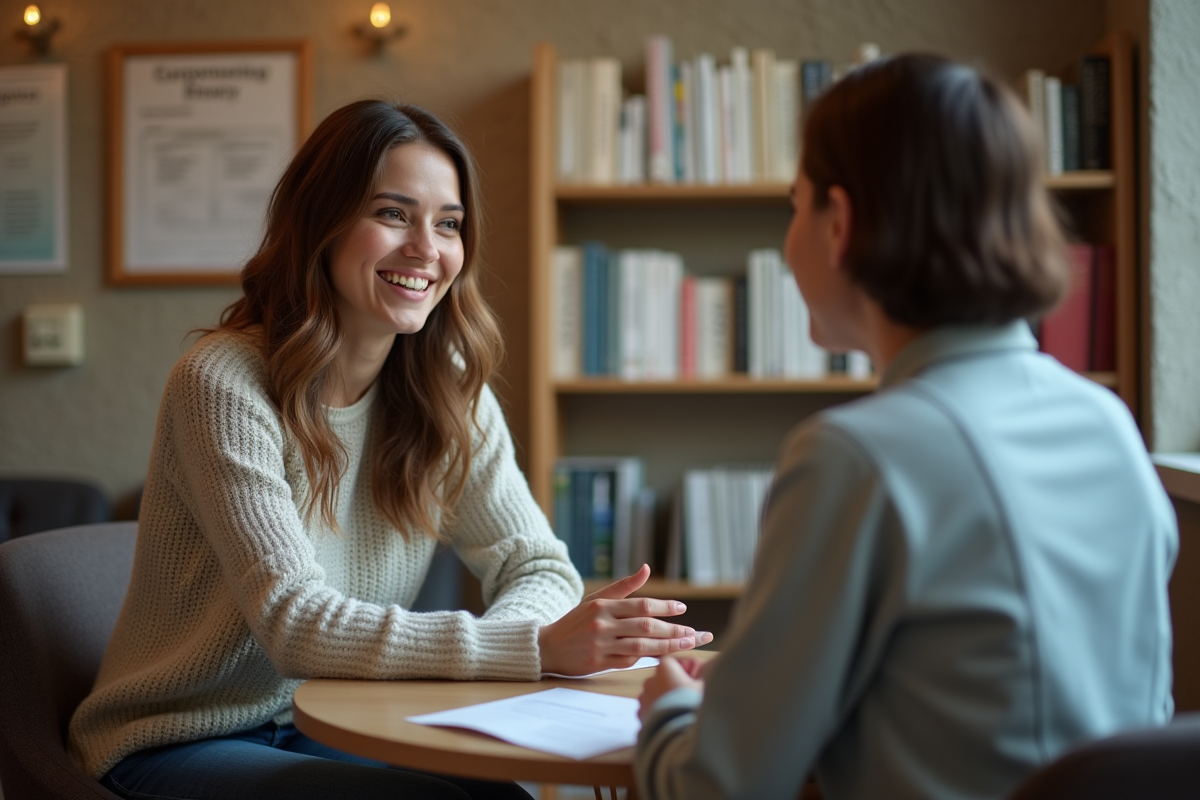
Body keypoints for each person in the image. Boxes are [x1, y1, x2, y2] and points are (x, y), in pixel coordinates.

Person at [67, 99, 711, 800]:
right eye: (393, 214)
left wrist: (526, 642)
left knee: (501, 796)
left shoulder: (449, 388)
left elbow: (536, 565)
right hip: (181, 737)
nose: (426, 249)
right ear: (322, 223)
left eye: (449, 224)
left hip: (332, 718)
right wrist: (529, 647)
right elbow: (294, 623)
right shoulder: (221, 382)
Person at [635, 53, 1177, 800]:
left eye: (795, 206)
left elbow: (720, 788)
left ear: (840, 223)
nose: (788, 242)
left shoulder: (854, 457)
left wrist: (668, 716)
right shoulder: (1107, 424)